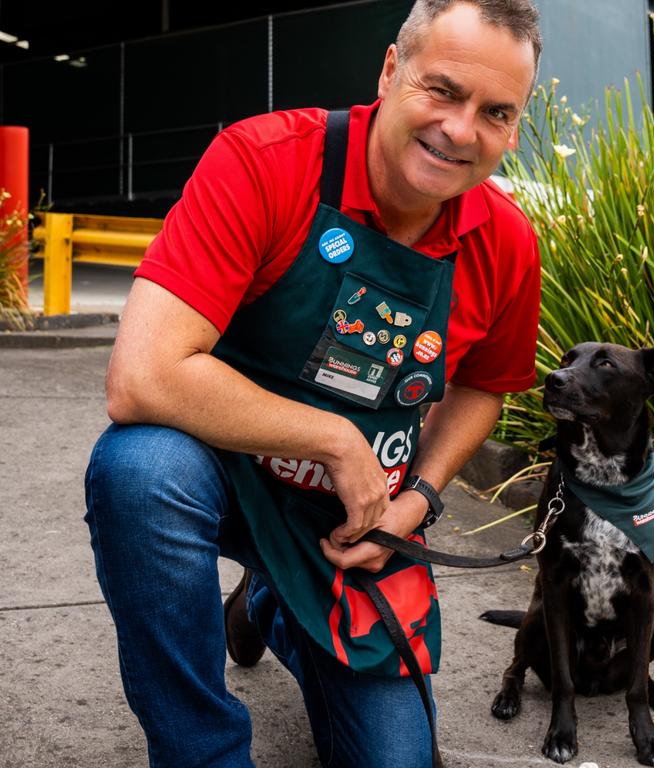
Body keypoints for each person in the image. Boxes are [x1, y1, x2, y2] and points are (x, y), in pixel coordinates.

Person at [83, 1, 542, 766]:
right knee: (139, 471)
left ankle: (273, 601)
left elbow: (484, 387)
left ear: (515, 128)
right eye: (443, 90)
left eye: (495, 112)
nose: (461, 131)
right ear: (391, 71)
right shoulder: (265, 161)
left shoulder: (506, 244)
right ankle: (203, 751)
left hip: (348, 527)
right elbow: (143, 375)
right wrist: (334, 438)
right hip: (217, 473)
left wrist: (418, 499)